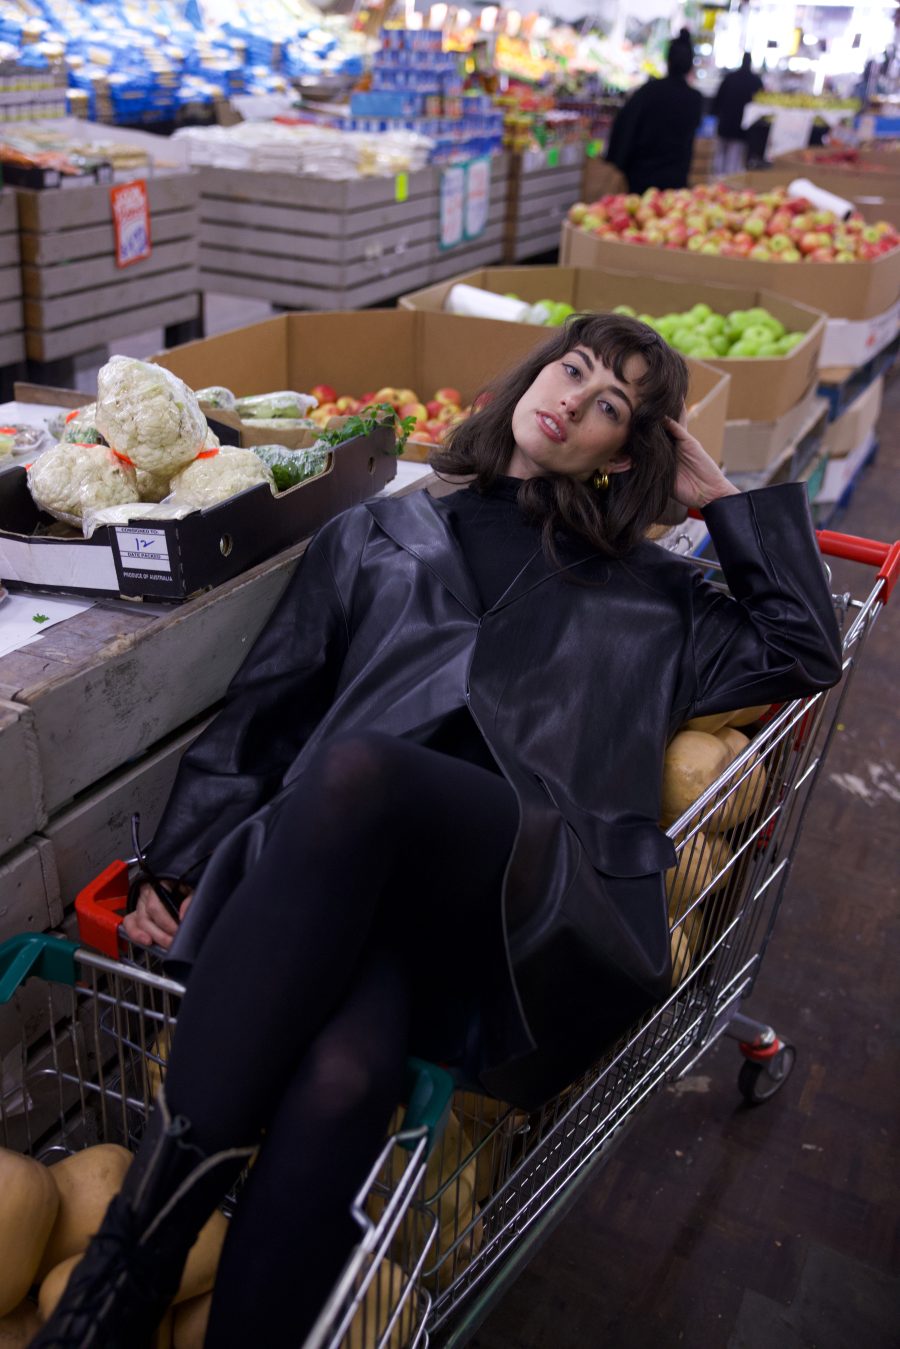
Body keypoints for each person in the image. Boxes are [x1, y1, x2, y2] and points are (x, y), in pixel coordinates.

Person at [34, 314, 843, 1349]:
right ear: (534, 373)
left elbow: (801, 649)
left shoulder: (659, 592)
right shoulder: (378, 531)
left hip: (532, 894)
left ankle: (127, 1254)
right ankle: (126, 1300)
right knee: (340, 1079)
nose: (575, 399)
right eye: (575, 369)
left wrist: (723, 503)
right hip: (361, 888)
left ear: (626, 453)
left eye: (611, 407)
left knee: (361, 769)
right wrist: (181, 857)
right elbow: (270, 704)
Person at [605, 29, 703, 193]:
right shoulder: (695, 98)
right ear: (690, 65)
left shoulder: (648, 92)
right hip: (675, 179)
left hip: (641, 177)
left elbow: (623, 127)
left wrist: (619, 162)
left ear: (668, 61)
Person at [713, 52, 764, 176]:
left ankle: (718, 179)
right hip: (741, 127)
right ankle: (728, 181)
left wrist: (716, 114)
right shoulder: (756, 81)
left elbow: (717, 99)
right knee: (734, 159)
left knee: (720, 156)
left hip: (725, 123)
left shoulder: (729, 78)